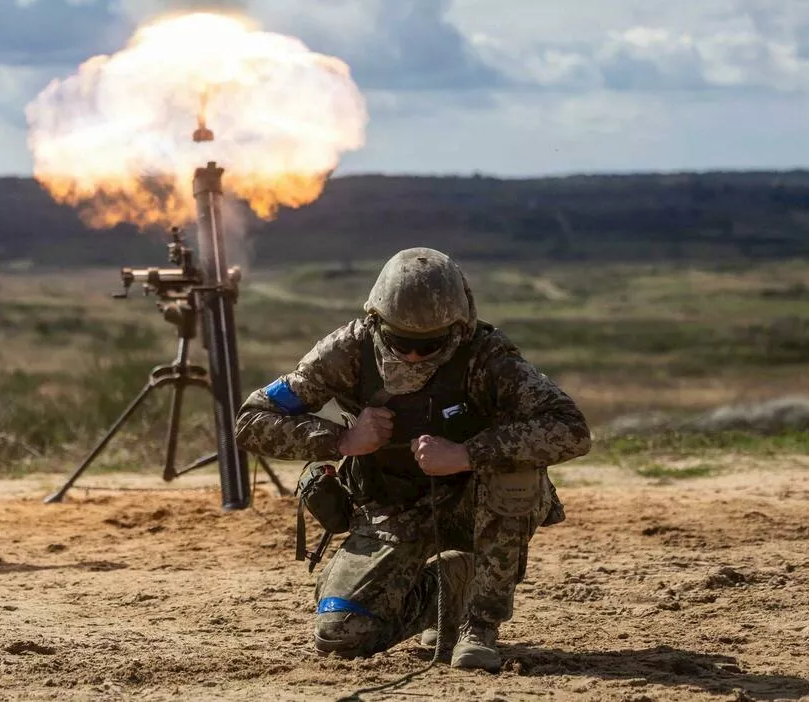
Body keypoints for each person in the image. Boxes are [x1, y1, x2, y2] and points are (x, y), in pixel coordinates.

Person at [235, 247, 591, 672]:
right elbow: (251, 421)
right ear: (376, 322)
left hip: (470, 504)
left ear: (458, 327)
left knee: (514, 475)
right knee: (340, 632)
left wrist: (466, 455)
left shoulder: (488, 356)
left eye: (430, 344)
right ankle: (449, 590)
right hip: (388, 509)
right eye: (402, 342)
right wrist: (342, 439)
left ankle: (480, 626)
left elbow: (570, 428)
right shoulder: (346, 350)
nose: (415, 356)